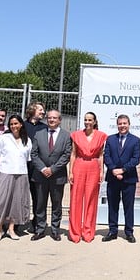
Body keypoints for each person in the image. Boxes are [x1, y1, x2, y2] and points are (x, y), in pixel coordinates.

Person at [0, 114, 32, 241]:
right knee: (1, 201)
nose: (14, 126)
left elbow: (27, 158)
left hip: (21, 174)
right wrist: (1, 168)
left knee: (16, 202)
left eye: (16, 123)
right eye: (11, 124)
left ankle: (11, 228)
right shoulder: (4, 138)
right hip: (5, 173)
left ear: (21, 124)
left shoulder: (27, 140)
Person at [30, 110, 72, 241]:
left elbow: (66, 155)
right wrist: (43, 168)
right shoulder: (39, 134)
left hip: (57, 176)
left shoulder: (66, 136)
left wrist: (52, 169)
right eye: (49, 118)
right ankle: (40, 229)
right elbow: (34, 154)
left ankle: (55, 230)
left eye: (54, 118)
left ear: (60, 120)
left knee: (56, 205)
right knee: (40, 204)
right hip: (40, 175)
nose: (51, 120)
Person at [68, 112, 108, 243]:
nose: (87, 122)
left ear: (95, 121)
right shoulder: (76, 135)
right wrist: (71, 172)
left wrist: (102, 171)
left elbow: (101, 155)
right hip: (79, 165)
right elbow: (73, 154)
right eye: (85, 120)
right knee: (75, 199)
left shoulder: (101, 136)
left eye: (90, 120)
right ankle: (75, 232)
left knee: (91, 199)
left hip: (93, 167)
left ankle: (88, 231)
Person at [103, 114, 140, 243]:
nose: (122, 126)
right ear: (117, 125)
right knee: (112, 206)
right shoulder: (110, 139)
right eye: (120, 123)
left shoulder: (135, 140)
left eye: (124, 123)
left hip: (129, 179)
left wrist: (123, 170)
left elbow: (136, 159)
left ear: (129, 124)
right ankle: (112, 231)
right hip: (113, 178)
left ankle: (129, 232)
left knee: (128, 207)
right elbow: (106, 156)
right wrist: (114, 169)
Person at [23, 102, 46, 232]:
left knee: (38, 195)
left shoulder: (44, 128)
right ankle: (16, 221)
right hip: (23, 166)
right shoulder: (22, 126)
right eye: (40, 110)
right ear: (32, 110)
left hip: (37, 166)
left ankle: (37, 222)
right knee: (19, 194)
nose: (43, 112)